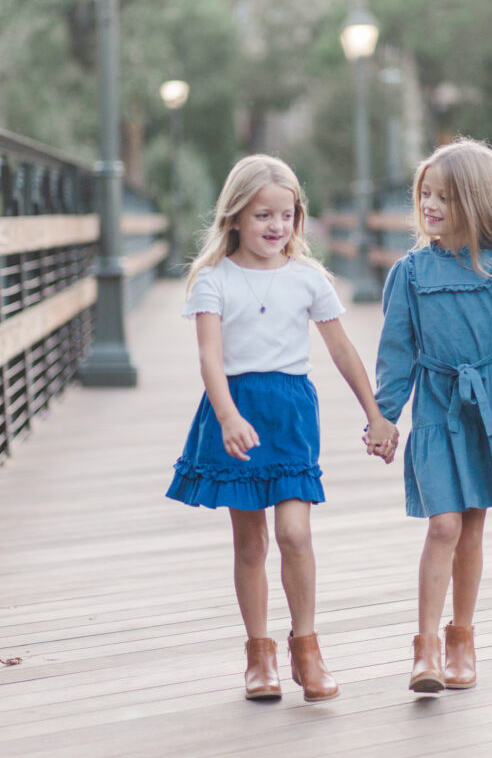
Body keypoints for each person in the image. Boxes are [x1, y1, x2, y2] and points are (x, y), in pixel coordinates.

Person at [166, 154, 398, 703]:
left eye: (286, 215)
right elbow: (209, 358)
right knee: (251, 542)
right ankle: (258, 656)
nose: (275, 226)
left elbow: (341, 348)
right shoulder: (213, 281)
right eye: (262, 214)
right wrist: (226, 416)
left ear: (299, 218)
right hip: (237, 410)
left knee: (295, 533)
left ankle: (308, 648)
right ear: (235, 218)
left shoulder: (308, 279)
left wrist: (375, 413)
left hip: (291, 411)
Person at [371, 137, 492, 693]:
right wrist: (384, 415)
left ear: (476, 201)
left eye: (445, 197)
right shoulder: (411, 272)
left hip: (491, 410)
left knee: (471, 527)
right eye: (426, 194)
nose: (430, 206)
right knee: (442, 523)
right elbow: (396, 351)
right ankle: (423, 649)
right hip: (437, 408)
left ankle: (461, 641)